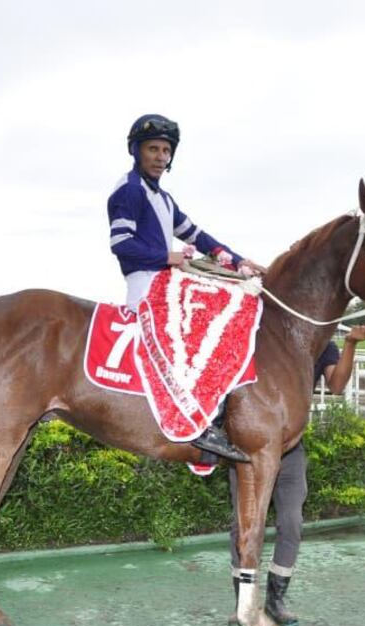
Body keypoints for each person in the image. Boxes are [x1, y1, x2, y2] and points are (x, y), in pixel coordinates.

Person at [107, 113, 263, 463]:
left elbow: (197, 235)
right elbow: (121, 244)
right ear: (137, 151)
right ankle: (200, 422)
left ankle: (216, 411)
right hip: (145, 282)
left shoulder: (163, 197)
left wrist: (237, 260)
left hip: (164, 277)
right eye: (153, 149)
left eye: (166, 150)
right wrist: (168, 256)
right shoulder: (129, 190)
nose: (161, 156)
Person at [228, 324, 365, 626]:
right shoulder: (261, 337)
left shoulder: (319, 346)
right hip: (248, 450)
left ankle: (275, 600)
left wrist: (350, 344)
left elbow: (336, 386)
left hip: (290, 450)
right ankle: (243, 603)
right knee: (242, 524)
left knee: (291, 522)